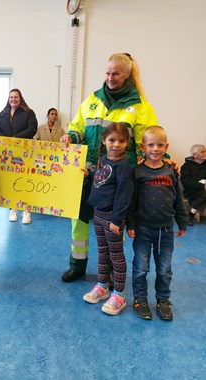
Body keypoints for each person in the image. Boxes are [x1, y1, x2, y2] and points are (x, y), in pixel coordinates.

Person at [60, 52, 158, 282]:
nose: (110, 77)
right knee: (79, 221)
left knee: (115, 226)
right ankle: (77, 265)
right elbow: (77, 127)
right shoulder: (92, 99)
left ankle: (114, 271)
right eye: (107, 73)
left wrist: (161, 162)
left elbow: (150, 141)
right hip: (87, 174)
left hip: (117, 181)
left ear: (126, 75)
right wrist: (71, 137)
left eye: (115, 73)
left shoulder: (140, 106)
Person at [127, 126, 187, 321]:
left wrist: (182, 222)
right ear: (143, 147)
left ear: (166, 146)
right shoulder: (137, 172)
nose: (155, 149)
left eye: (160, 145)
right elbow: (132, 200)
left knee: (164, 269)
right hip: (143, 229)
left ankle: (163, 300)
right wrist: (131, 224)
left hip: (166, 230)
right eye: (151, 145)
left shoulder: (172, 171)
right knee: (141, 267)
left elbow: (178, 198)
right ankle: (140, 299)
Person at [83, 123, 134, 315]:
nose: (116, 144)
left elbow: (124, 195)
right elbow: (102, 180)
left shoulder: (124, 167)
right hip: (98, 214)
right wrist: (89, 174)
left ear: (127, 143)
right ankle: (102, 286)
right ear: (104, 141)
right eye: (112, 140)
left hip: (113, 218)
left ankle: (119, 295)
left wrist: (117, 219)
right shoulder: (103, 159)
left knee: (116, 256)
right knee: (103, 253)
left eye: (121, 141)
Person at [0, 88, 38, 224]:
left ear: (20, 98)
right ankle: (13, 209)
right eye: (11, 97)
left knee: (25, 181)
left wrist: (14, 139)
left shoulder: (28, 112)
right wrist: (6, 141)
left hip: (24, 153)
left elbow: (32, 129)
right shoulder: (3, 113)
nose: (13, 99)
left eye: (16, 97)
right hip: (8, 154)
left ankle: (26, 210)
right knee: (11, 180)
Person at [181, 144, 206, 226]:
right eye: (202, 152)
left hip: (204, 189)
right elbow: (186, 182)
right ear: (194, 155)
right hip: (191, 191)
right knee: (204, 194)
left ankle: (190, 215)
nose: (205, 153)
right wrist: (202, 186)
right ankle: (190, 216)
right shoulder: (186, 166)